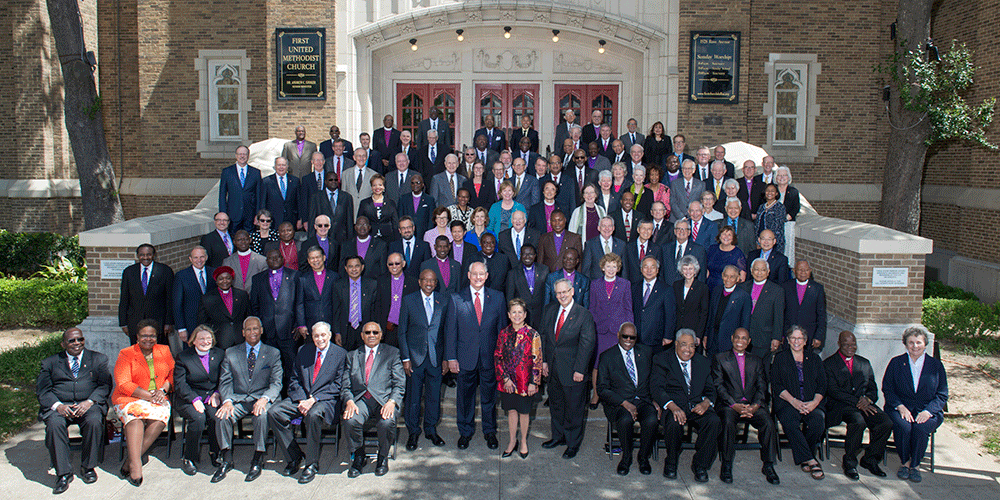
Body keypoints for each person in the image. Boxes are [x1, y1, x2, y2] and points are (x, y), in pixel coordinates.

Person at [267, 322, 348, 484]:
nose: (320, 339)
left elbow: (338, 385)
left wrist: (313, 400)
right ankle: (294, 456)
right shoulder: (304, 350)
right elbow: (294, 378)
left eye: (323, 335)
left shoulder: (340, 354)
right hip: (302, 397)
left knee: (313, 414)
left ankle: (311, 464)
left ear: (330, 335)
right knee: (274, 412)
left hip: (325, 400)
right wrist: (302, 399)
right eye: (316, 335)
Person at [37, 328, 112, 494]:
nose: (77, 343)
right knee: (54, 425)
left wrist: (89, 402)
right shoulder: (50, 362)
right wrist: (58, 406)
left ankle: (88, 467)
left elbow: (105, 385)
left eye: (80, 339)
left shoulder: (98, 359)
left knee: (93, 421)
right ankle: (63, 473)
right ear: (63, 344)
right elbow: (43, 391)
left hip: (88, 404)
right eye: (72, 340)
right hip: (61, 405)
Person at [446, 262, 507, 450]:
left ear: (487, 275)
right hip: (465, 358)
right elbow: (450, 331)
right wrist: (451, 358)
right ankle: (465, 432)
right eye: (475, 274)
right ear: (468, 275)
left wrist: (502, 358)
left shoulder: (497, 297)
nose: (478, 277)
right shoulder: (456, 299)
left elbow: (502, 331)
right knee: (465, 398)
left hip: (490, 358)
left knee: (489, 398)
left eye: (482, 274)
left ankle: (490, 432)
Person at [213, 317, 283, 483]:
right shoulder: (231, 353)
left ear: (261, 330)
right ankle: (226, 459)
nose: (253, 332)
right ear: (243, 332)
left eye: (256, 329)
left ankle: (257, 459)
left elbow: (276, 383)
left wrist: (265, 399)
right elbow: (225, 381)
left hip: (262, 397)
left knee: (261, 415)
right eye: (249, 329)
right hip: (238, 399)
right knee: (222, 416)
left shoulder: (273, 353)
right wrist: (227, 401)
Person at [651, 330, 720, 483]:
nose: (688, 350)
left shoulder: (702, 362)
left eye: (692, 346)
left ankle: (700, 464)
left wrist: (706, 402)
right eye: (684, 345)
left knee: (714, 421)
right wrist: (672, 406)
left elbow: (710, 389)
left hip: (696, 405)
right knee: (674, 423)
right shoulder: (662, 359)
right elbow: (656, 388)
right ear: (676, 344)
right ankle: (671, 461)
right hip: (674, 404)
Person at [713, 328, 780, 485]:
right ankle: (727, 464)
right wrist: (733, 404)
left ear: (749, 342)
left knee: (768, 424)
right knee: (728, 423)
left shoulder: (756, 360)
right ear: (731, 338)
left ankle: (768, 464)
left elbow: (762, 385)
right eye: (737, 337)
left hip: (752, 405)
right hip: (729, 405)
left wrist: (756, 405)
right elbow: (718, 385)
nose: (740, 341)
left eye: (744, 338)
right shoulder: (720, 358)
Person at [112, 319, 174, 486]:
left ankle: (131, 460)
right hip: (130, 397)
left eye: (152, 336)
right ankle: (136, 465)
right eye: (144, 336)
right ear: (137, 337)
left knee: (160, 420)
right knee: (135, 419)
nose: (149, 339)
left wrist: (162, 391)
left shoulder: (164, 350)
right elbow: (123, 383)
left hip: (158, 396)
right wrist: (148, 396)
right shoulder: (126, 353)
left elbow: (172, 375)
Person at [883, 326, 948, 483]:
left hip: (927, 410)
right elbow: (888, 389)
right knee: (904, 427)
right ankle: (905, 463)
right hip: (901, 407)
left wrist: (928, 411)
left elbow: (942, 394)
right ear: (905, 344)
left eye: (919, 342)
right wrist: (900, 406)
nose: (915, 346)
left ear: (925, 344)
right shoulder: (896, 363)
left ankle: (916, 465)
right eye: (911, 342)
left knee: (920, 428)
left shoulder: (935, 366)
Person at [825, 330, 892, 480]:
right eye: (846, 344)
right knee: (858, 422)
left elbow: (873, 388)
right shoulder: (829, 364)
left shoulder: (864, 363)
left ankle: (870, 459)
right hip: (842, 405)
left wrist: (868, 399)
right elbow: (833, 391)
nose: (850, 347)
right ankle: (849, 462)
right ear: (839, 344)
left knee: (885, 422)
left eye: (853, 344)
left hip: (864, 403)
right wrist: (857, 402)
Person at [540, 278, 596, 459]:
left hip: (574, 371)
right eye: (558, 293)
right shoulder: (549, 310)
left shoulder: (583, 314)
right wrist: (544, 362)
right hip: (553, 369)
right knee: (556, 405)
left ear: (572, 292)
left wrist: (580, 369)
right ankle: (558, 437)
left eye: (565, 292)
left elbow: (587, 344)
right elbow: (545, 337)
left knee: (574, 409)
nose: (562, 296)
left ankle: (572, 443)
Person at [342, 322, 406, 477]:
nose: (371, 335)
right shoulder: (352, 356)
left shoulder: (392, 353)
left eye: (375, 332)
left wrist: (392, 402)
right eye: (368, 332)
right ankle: (358, 455)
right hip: (361, 400)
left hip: (384, 400)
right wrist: (349, 401)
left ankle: (382, 457)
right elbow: (345, 385)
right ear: (362, 335)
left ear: (381, 335)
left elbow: (399, 383)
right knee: (350, 420)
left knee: (386, 422)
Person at [398, 269, 450, 450]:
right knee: (413, 396)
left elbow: (446, 332)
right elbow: (402, 331)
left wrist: (446, 358)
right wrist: (405, 357)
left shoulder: (443, 300)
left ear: (436, 283)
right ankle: (413, 432)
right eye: (425, 280)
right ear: (419, 282)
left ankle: (430, 429)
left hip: (436, 358)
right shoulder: (409, 300)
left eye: (432, 281)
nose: (429, 283)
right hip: (414, 358)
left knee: (434, 396)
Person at [597, 323, 658, 476]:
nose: (629, 340)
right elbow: (602, 389)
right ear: (618, 335)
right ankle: (626, 457)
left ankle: (643, 458)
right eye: (625, 336)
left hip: (643, 400)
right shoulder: (607, 356)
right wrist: (624, 403)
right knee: (625, 420)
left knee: (651, 419)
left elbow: (654, 380)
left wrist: (656, 400)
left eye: (632, 337)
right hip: (620, 402)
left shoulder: (646, 353)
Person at [771, 325, 827, 480]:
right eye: (793, 338)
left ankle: (805, 456)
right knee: (790, 422)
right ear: (788, 340)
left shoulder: (814, 359)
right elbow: (776, 385)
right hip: (787, 401)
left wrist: (814, 402)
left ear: (805, 341)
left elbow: (822, 384)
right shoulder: (780, 358)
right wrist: (794, 401)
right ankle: (810, 459)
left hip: (811, 402)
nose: (796, 341)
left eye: (799, 338)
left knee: (818, 421)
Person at [495, 298, 542, 459]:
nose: (517, 315)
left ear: (525, 314)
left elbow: (537, 360)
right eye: (513, 312)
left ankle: (523, 441)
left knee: (524, 412)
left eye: (520, 312)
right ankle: (511, 441)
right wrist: (505, 379)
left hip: (525, 382)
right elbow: (498, 357)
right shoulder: (503, 333)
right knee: (512, 411)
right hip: (508, 383)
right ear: (508, 314)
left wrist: (533, 382)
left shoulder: (532, 334)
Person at [173, 325, 224, 476]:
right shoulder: (183, 357)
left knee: (215, 416)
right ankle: (189, 457)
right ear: (193, 340)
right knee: (198, 418)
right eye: (201, 338)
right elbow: (179, 384)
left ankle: (215, 452)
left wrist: (217, 393)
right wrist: (194, 399)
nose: (205, 341)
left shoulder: (220, 354)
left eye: (208, 338)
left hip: (211, 396)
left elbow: (225, 378)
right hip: (188, 397)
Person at [588, 253, 634, 408]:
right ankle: (595, 395)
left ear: (618, 268)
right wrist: (592, 328)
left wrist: (628, 332)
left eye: (614, 266)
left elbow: (628, 308)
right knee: (597, 364)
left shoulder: (625, 284)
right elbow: (592, 308)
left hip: (617, 331)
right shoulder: (594, 284)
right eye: (608, 266)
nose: (611, 269)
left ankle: (617, 396)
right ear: (602, 267)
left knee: (617, 364)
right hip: (600, 330)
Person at [249, 249, 299, 385]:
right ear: (266, 261)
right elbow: (255, 305)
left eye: (277, 257)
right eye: (271, 258)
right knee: (269, 367)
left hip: (289, 331)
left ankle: (291, 394)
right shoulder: (258, 279)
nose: (274, 260)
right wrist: (260, 326)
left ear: (282, 259)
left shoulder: (294, 276)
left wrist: (298, 324)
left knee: (291, 366)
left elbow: (299, 302)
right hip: (268, 332)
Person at [119, 243, 175, 346]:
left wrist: (169, 322)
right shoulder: (129, 272)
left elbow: (170, 298)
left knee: (159, 353)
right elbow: (124, 298)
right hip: (135, 322)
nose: (145, 257)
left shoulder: (164, 271)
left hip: (158, 322)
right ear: (137, 256)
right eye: (142, 255)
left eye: (148, 254)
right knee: (137, 353)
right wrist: (123, 323)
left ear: (154, 255)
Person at [197, 266, 250, 349]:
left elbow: (248, 316)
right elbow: (203, 322)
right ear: (216, 281)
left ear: (232, 279)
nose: (224, 281)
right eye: (221, 279)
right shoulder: (207, 298)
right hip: (220, 341)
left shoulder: (242, 295)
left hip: (241, 339)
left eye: (228, 278)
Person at [740, 258, 785, 357]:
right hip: (744, 337)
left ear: (768, 272)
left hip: (764, 338)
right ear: (751, 271)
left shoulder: (777, 291)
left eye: (763, 270)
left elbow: (778, 316)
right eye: (756, 269)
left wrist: (776, 338)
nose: (759, 272)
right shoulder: (743, 287)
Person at [334, 255, 380, 351]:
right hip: (346, 329)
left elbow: (375, 310)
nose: (354, 269)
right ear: (346, 268)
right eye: (350, 266)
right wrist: (337, 332)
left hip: (365, 329)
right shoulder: (338, 285)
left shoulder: (372, 285)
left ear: (362, 267)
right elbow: (336, 311)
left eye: (357, 266)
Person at [173, 246, 215, 349]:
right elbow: (177, 304)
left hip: (211, 322)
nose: (199, 260)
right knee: (191, 353)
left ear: (206, 257)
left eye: (201, 257)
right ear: (190, 259)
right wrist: (181, 328)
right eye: (195, 257)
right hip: (191, 323)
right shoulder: (181, 276)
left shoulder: (214, 273)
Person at [632, 256, 676, 352]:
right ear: (641, 269)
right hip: (637, 337)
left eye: (652, 267)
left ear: (657, 270)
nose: (649, 270)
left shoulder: (666, 289)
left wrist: (668, 335)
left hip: (656, 338)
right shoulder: (634, 287)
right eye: (646, 267)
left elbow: (670, 315)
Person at [294, 245, 339, 338]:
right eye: (312, 258)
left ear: (323, 257)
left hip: (331, 323)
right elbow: (300, 303)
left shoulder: (335, 277)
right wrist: (301, 324)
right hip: (310, 324)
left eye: (318, 257)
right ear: (308, 260)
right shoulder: (303, 279)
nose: (315, 260)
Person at [706, 265, 751, 356]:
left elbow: (745, 323)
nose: (728, 279)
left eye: (732, 276)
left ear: (738, 278)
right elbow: (710, 315)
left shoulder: (744, 296)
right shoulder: (716, 291)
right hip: (712, 339)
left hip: (729, 342)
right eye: (726, 276)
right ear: (722, 275)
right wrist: (706, 335)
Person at [783, 259, 827, 350]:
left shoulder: (817, 288)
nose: (803, 272)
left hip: (809, 335)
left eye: (806, 270)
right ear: (794, 271)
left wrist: (818, 336)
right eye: (800, 270)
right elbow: (781, 312)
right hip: (789, 334)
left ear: (810, 271)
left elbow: (821, 315)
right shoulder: (786, 286)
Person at [376, 252, 418, 347]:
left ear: (403, 264)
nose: (394, 266)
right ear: (387, 265)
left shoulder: (413, 282)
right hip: (387, 329)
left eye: (397, 263)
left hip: (406, 330)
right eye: (390, 264)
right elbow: (377, 306)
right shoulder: (381, 281)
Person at [219, 145, 262, 231]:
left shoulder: (255, 172)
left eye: (244, 154)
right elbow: (222, 195)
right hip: (232, 215)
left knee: (249, 240)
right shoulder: (227, 172)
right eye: (240, 154)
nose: (242, 156)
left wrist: (258, 215)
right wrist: (223, 214)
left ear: (248, 156)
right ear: (236, 155)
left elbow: (259, 196)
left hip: (250, 215)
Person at [305, 168, 355, 242]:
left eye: (335, 180)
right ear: (325, 182)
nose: (333, 182)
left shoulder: (347, 197)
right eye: (330, 180)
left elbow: (349, 221)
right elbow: (312, 219)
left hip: (342, 238)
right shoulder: (316, 197)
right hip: (322, 237)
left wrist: (351, 240)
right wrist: (311, 240)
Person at [505, 244, 549, 326]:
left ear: (535, 256)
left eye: (530, 254)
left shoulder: (544, 270)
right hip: (520, 318)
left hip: (540, 317)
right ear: (520, 255)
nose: (527, 257)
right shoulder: (512, 273)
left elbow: (547, 294)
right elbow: (509, 298)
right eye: (524, 254)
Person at [673, 255, 710, 341]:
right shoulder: (676, 285)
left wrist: (699, 335)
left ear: (695, 270)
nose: (688, 271)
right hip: (677, 329)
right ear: (681, 270)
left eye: (690, 268)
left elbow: (704, 313)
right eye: (685, 268)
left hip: (694, 331)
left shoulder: (702, 288)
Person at [661, 219, 707, 284]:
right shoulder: (665, 248)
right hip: (668, 288)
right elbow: (661, 271)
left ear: (689, 232)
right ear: (674, 231)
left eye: (684, 229)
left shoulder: (698, 249)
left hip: (688, 289)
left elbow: (701, 275)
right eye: (678, 229)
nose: (681, 231)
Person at [582, 216, 625, 281]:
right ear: (599, 228)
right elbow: (586, 269)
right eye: (604, 226)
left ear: (613, 228)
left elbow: (624, 270)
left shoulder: (621, 244)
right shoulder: (590, 244)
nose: (607, 229)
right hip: (596, 285)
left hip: (616, 285)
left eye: (610, 226)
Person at [261, 156, 300, 228]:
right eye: (278, 165)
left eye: (283, 165)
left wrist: (300, 219)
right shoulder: (266, 181)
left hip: (291, 220)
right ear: (275, 166)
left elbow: (299, 201)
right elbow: (263, 202)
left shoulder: (295, 181)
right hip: (273, 220)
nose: (281, 167)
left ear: (287, 166)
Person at [358, 174, 399, 241]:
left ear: (384, 187)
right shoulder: (364, 203)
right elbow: (360, 221)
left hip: (388, 238)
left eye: (380, 185)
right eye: (374, 185)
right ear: (371, 187)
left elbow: (395, 223)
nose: (377, 187)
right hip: (370, 238)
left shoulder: (391, 203)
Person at [705, 225, 747, 290]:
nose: (726, 237)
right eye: (724, 234)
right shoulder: (712, 248)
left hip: (727, 288)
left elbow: (742, 277)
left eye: (729, 235)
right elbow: (707, 269)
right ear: (719, 236)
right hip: (709, 286)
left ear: (733, 238)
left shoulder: (737, 253)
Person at [775, 166, 800, 266]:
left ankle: (786, 267)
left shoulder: (793, 192)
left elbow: (796, 207)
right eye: (779, 175)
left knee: (787, 248)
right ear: (776, 178)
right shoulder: (771, 190)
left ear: (789, 177)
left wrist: (787, 217)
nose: (782, 177)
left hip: (787, 224)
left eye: (784, 175)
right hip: (774, 225)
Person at [755, 183, 787, 254]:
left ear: (776, 193)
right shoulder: (761, 207)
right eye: (767, 190)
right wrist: (758, 241)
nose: (769, 193)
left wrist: (769, 241)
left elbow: (778, 226)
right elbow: (757, 225)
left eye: (772, 191)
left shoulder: (780, 207)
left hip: (774, 243)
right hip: (761, 242)